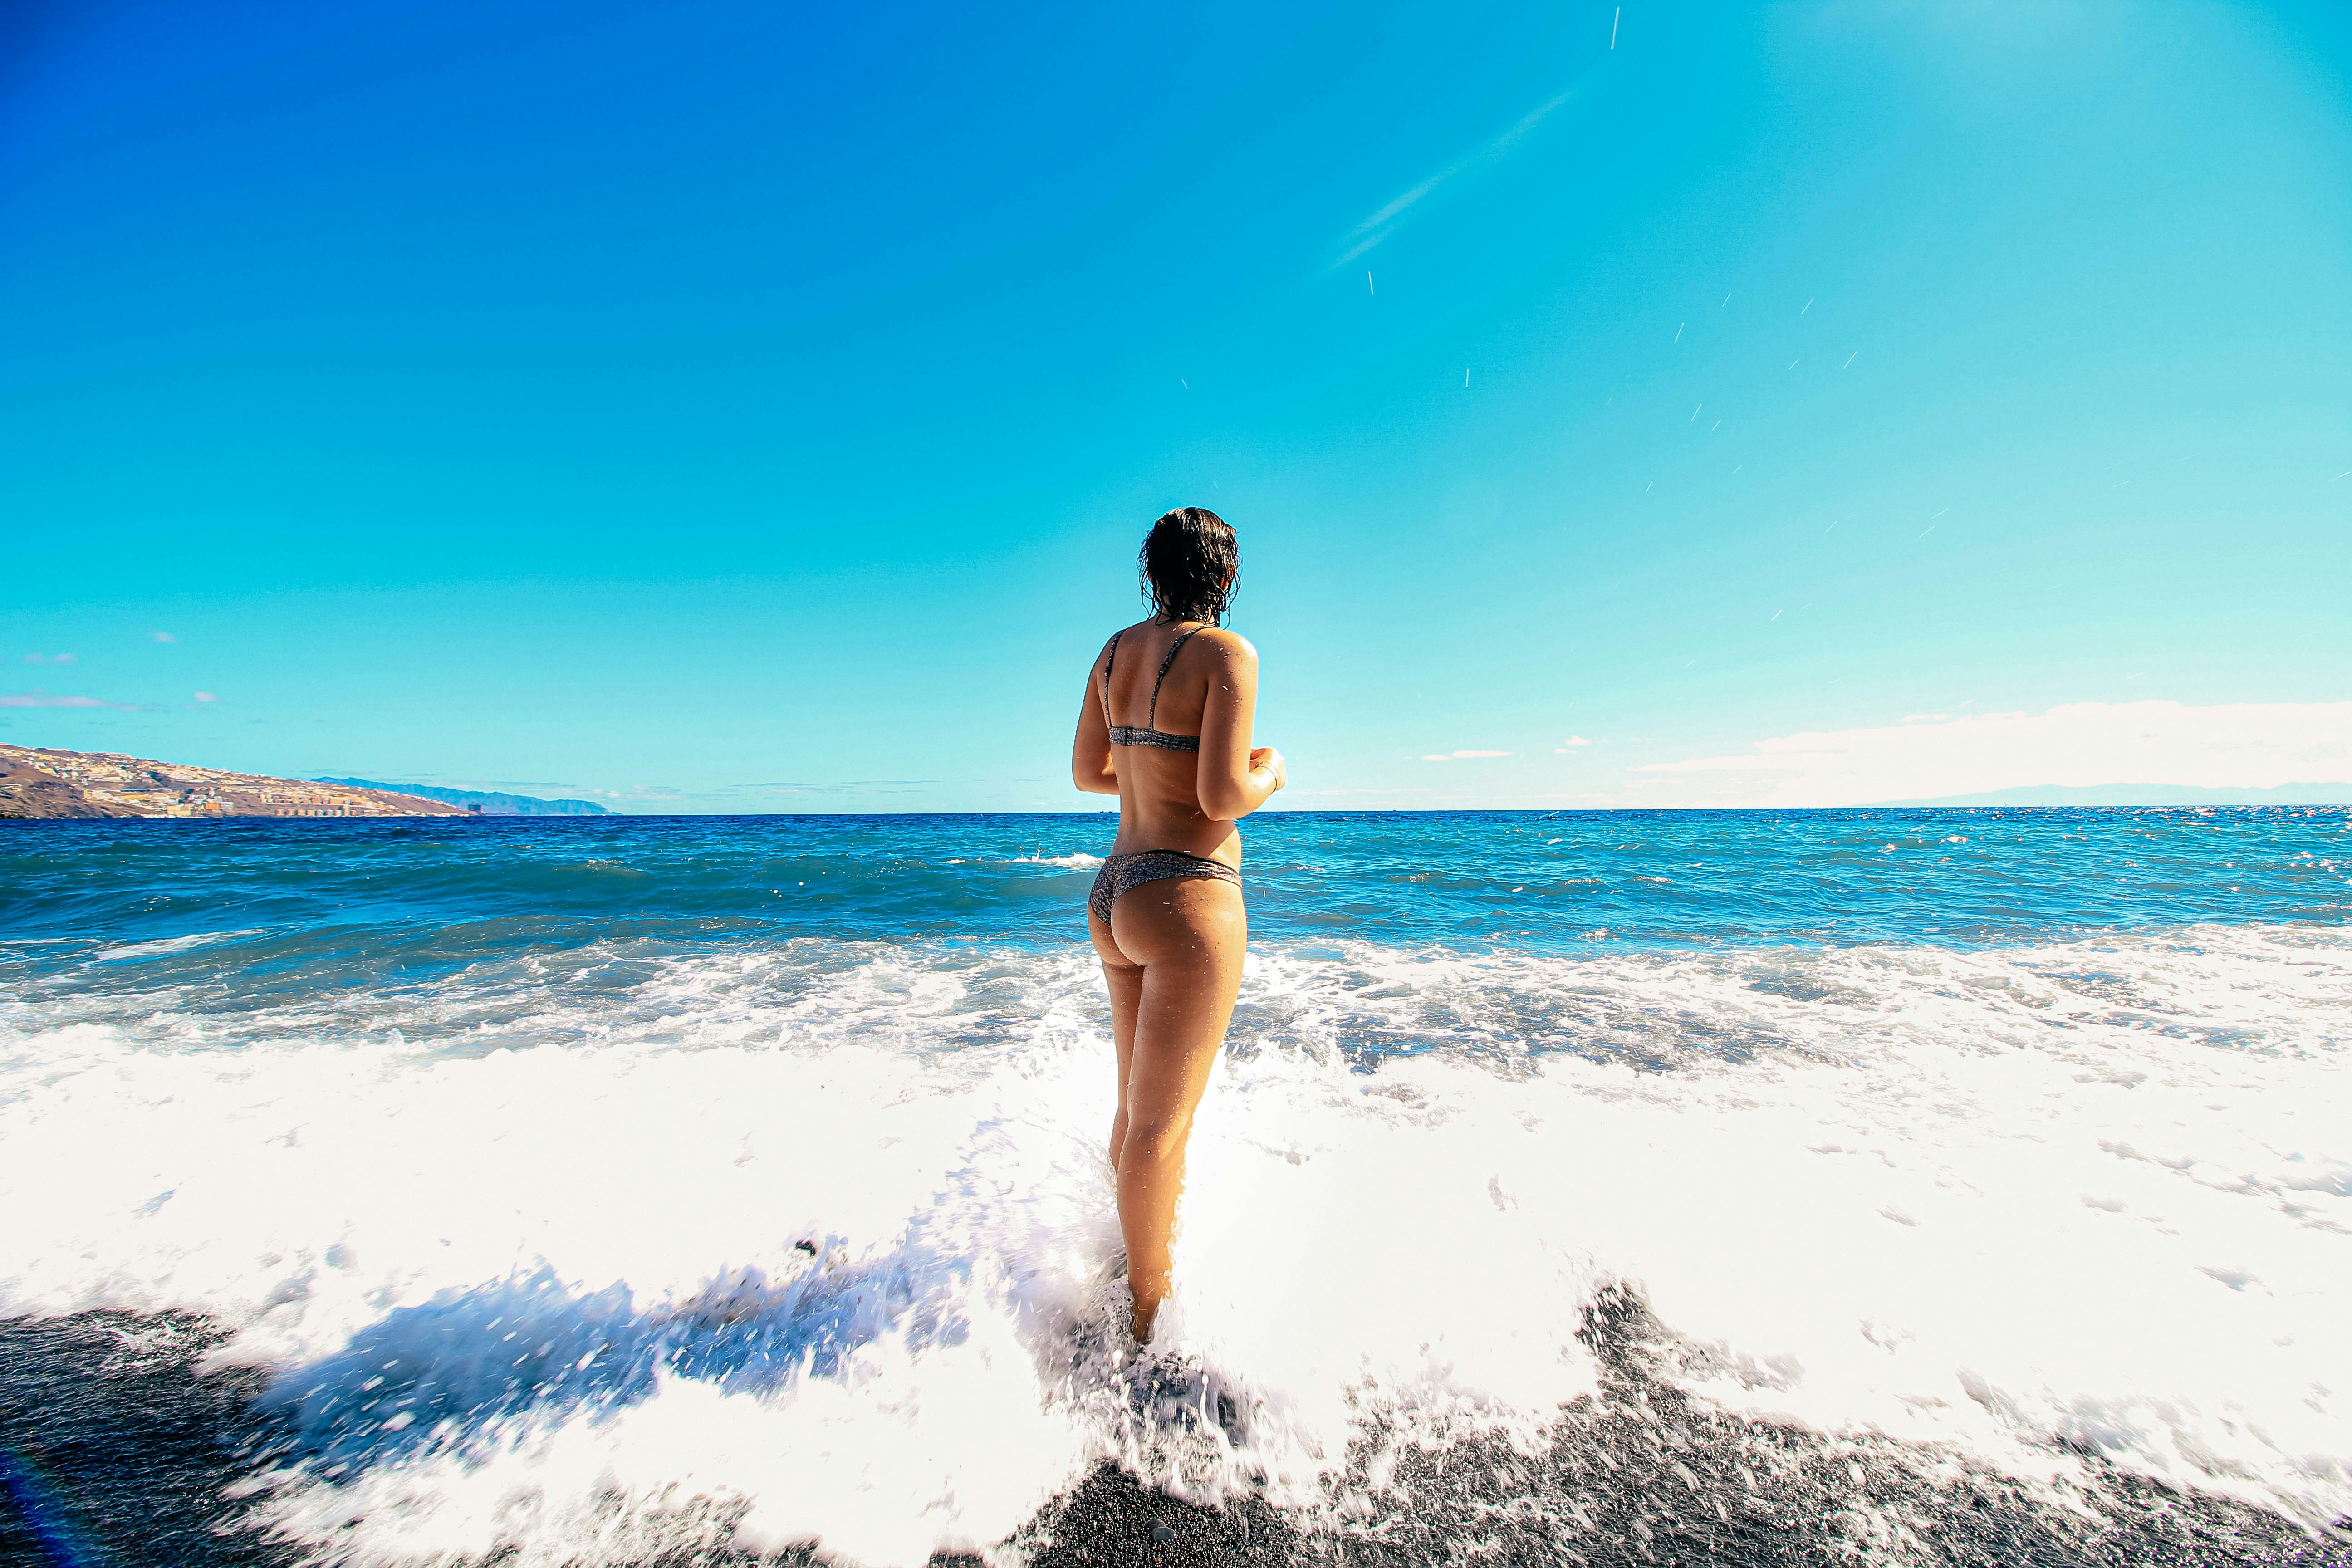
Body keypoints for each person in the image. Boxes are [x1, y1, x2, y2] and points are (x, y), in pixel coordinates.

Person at [1070, 506, 1286, 1345]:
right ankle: (1147, 1323)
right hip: (1188, 893)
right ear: (1228, 577)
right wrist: (1272, 769)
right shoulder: (1227, 652)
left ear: (1151, 570)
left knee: (1135, 1110)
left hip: (1115, 890)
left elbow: (1090, 772)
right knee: (1163, 1123)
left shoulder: (1113, 652)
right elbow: (1221, 798)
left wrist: (1154, 758)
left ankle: (1133, 1268)